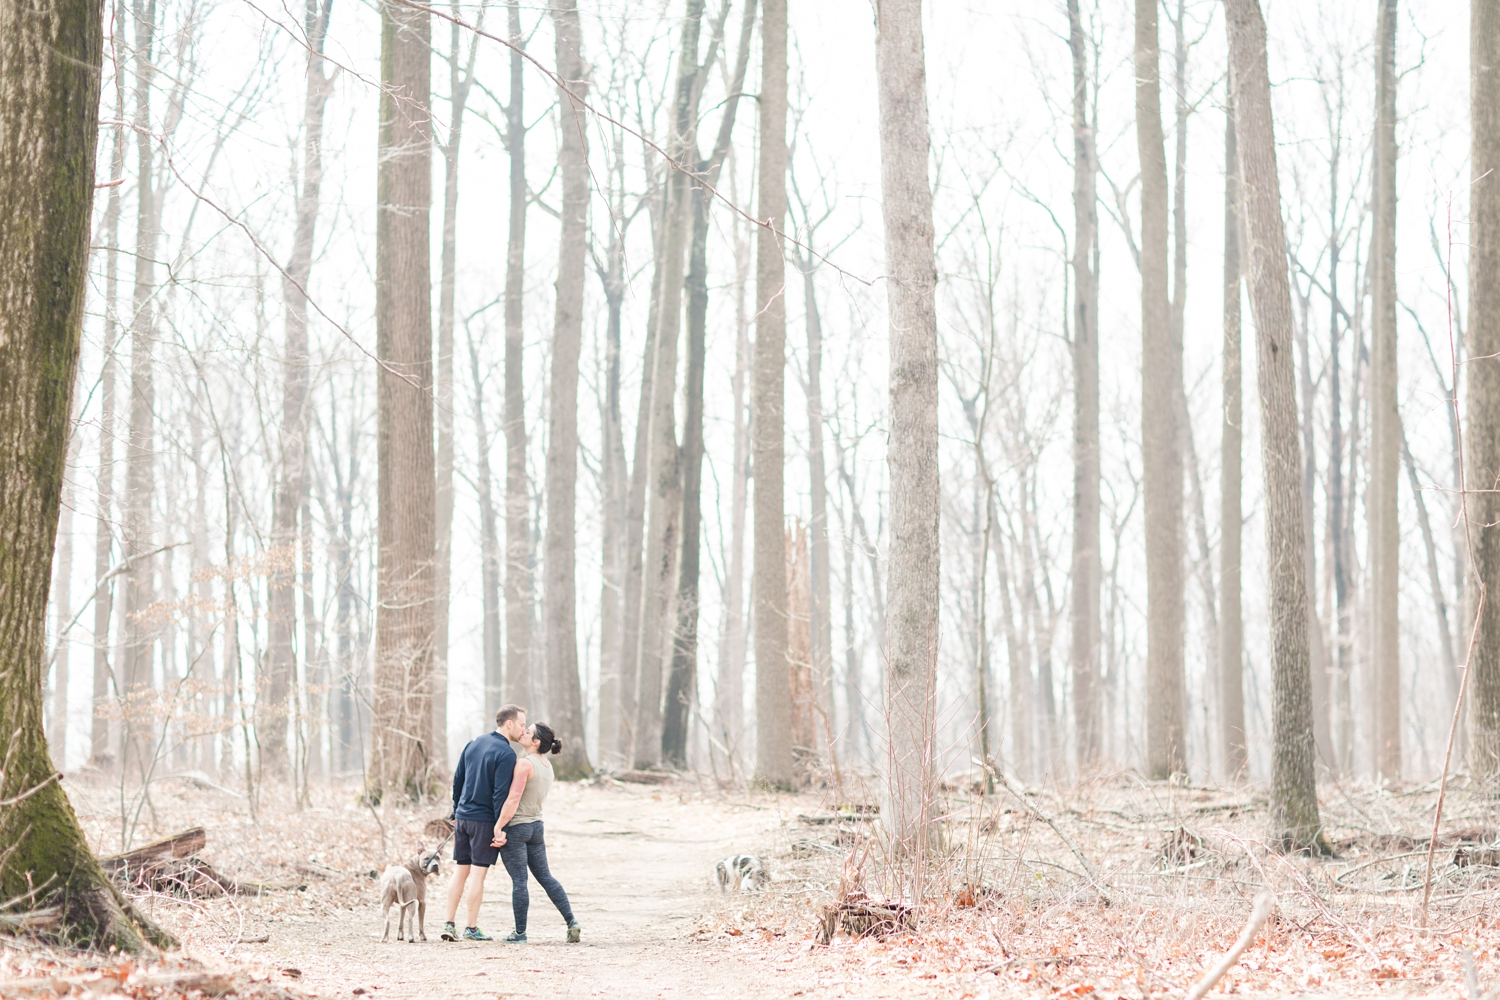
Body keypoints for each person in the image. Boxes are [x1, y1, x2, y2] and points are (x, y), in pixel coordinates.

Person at [440, 705, 526, 942]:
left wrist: (455, 811)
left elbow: (458, 779)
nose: (523, 730)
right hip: (484, 821)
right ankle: (471, 927)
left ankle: (448, 923)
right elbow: (500, 795)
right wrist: (501, 827)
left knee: (460, 872)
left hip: (463, 818)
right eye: (521, 725)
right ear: (509, 724)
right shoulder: (507, 754)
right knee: (477, 876)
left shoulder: (474, 742)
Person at [492, 723, 580, 943]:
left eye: (528, 732)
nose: (523, 732)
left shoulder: (524, 764)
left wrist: (499, 826)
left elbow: (513, 798)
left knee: (520, 881)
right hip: (536, 828)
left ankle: (520, 933)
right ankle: (572, 922)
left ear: (536, 742)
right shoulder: (547, 765)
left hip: (517, 828)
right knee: (546, 877)